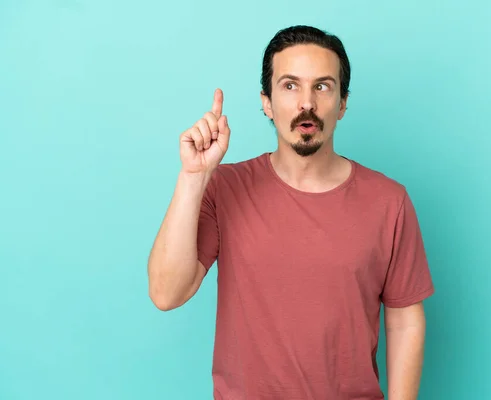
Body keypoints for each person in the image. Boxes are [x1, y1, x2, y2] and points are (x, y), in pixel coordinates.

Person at [148, 25, 435, 400]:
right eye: (290, 85)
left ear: (343, 103)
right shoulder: (224, 187)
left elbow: (404, 321)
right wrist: (193, 177)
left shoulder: (389, 201)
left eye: (322, 86)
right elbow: (167, 293)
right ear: (266, 102)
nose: (306, 103)